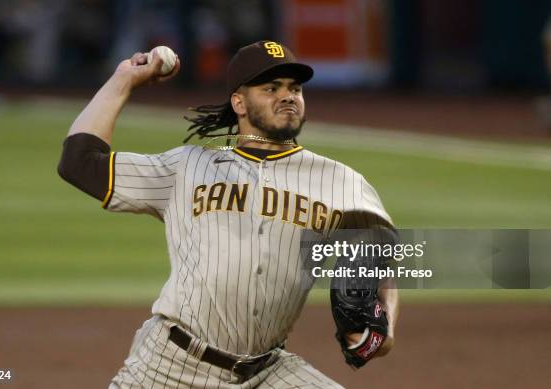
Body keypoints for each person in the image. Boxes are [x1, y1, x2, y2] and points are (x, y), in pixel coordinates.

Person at [58, 40, 398, 388]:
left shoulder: (342, 183)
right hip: (169, 366)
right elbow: (79, 163)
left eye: (294, 88)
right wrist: (123, 81)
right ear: (239, 102)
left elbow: (379, 254)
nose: (288, 96)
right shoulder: (187, 167)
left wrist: (382, 326)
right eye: (271, 88)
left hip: (266, 371)